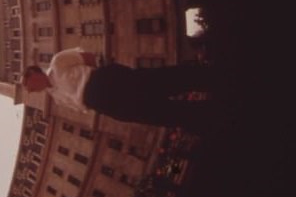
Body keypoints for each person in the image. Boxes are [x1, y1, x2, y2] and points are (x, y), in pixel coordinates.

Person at [21, 47, 215, 133]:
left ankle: (204, 76)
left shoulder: (58, 62)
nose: (32, 91)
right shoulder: (55, 99)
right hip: (102, 104)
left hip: (104, 82)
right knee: (153, 113)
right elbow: (81, 107)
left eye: (30, 86)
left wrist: (105, 78)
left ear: (34, 74)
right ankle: (202, 114)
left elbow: (87, 57)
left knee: (158, 82)